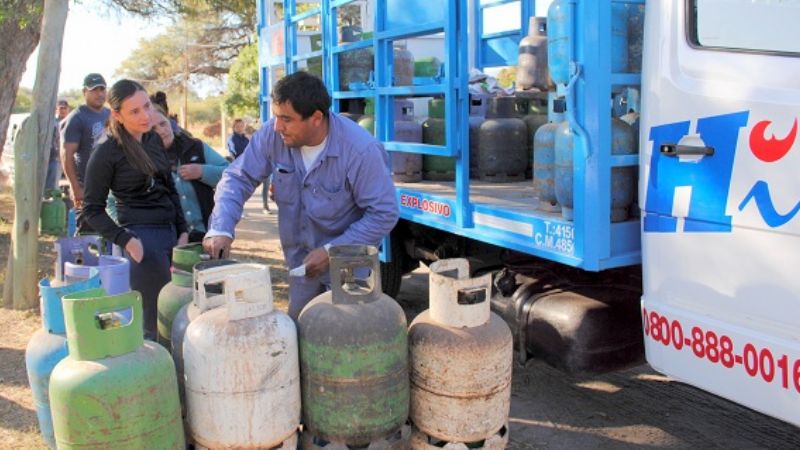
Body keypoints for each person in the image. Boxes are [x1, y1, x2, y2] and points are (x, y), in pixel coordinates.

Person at [204, 71, 399, 319]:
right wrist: (220, 228)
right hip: (301, 267)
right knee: (299, 331)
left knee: (344, 339)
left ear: (316, 118)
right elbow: (238, 177)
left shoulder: (360, 151)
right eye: (276, 117)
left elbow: (384, 213)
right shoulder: (272, 136)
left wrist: (331, 251)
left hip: (349, 270)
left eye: (286, 119)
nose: (277, 127)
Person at [81, 79, 188, 339]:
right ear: (117, 115)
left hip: (171, 236)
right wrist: (126, 239)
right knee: (151, 323)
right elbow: (91, 209)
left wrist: (183, 230)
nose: (145, 116)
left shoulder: (152, 138)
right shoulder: (106, 152)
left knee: (178, 315)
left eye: (147, 106)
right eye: (135, 111)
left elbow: (169, 187)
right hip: (141, 239)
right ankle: (152, 373)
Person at [151, 105, 229, 242]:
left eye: (163, 124)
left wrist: (202, 171)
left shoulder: (195, 146)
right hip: (168, 240)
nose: (161, 131)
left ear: (170, 121)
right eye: (153, 129)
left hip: (207, 235)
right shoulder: (143, 159)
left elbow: (231, 174)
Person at [60, 73, 110, 210]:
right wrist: (75, 187)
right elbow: (67, 155)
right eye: (94, 90)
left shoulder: (110, 114)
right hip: (87, 185)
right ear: (84, 92)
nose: (99, 94)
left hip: (109, 184)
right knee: (88, 228)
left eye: (102, 89)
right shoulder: (77, 118)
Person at [44, 99, 70, 192]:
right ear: (56, 109)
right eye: (60, 108)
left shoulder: (71, 122)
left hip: (70, 156)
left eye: (64, 108)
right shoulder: (52, 123)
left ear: (68, 109)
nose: (62, 110)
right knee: (52, 180)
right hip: (54, 157)